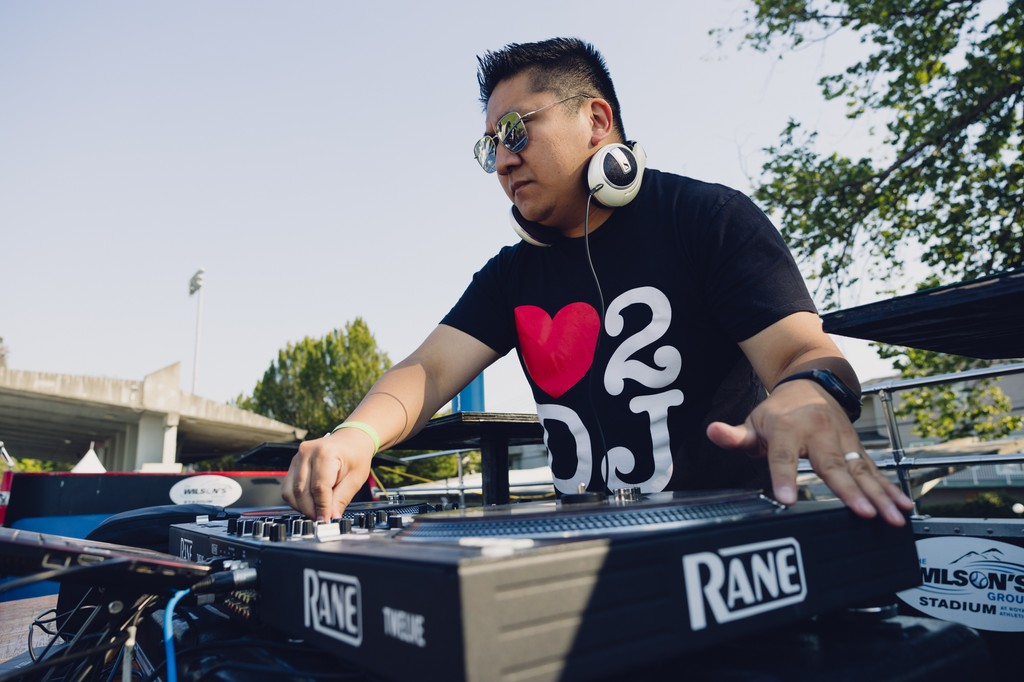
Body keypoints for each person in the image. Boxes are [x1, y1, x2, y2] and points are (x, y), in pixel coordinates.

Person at [283, 37, 913, 527]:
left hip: (725, 540)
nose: (502, 160)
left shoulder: (708, 220)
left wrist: (807, 392)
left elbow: (807, 353)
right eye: (489, 147)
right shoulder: (512, 275)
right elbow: (428, 370)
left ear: (597, 119)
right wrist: (357, 435)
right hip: (584, 551)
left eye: (516, 130)